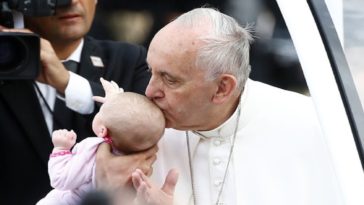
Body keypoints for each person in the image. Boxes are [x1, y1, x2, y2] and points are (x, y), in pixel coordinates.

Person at [98, 7, 343, 205]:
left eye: (170, 79)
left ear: (222, 88)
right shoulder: (137, 128)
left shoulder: (315, 125)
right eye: (151, 72)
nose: (150, 91)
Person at [0, 1, 156, 204]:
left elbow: (148, 128)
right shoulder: (5, 66)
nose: (71, 2)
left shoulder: (129, 59)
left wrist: (68, 83)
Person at [37, 78, 166, 205]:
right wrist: (115, 103)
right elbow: (129, 120)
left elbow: (60, 179)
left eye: (100, 112)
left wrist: (61, 149)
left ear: (103, 131)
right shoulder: (138, 158)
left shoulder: (91, 150)